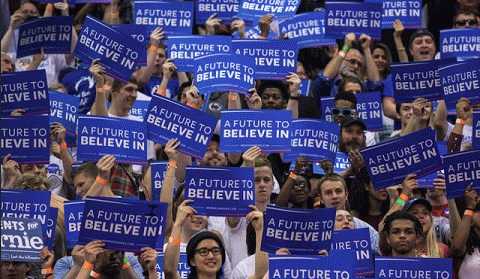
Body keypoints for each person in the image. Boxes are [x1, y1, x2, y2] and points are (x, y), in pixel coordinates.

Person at [315, 173, 381, 255]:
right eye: (328, 193)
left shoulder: (366, 229)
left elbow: (377, 259)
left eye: (338, 191)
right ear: (321, 198)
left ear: (346, 195)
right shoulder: (312, 230)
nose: (334, 196)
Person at [450, 184, 480, 279]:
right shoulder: (466, 246)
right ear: (469, 220)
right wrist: (470, 206)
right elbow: (456, 247)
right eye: (478, 209)